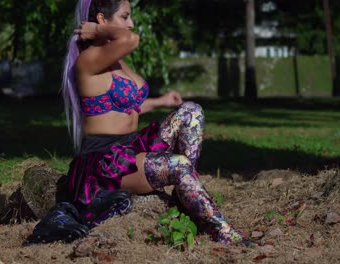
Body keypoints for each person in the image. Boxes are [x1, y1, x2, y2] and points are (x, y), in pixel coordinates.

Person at [25, 0, 253, 246]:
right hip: (105, 160)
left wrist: (159, 101)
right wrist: (98, 32)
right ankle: (223, 232)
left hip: (131, 145)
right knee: (178, 165)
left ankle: (182, 193)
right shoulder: (89, 59)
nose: (131, 24)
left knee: (191, 111)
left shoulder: (116, 60)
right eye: (125, 16)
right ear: (102, 20)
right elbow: (131, 39)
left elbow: (123, 106)